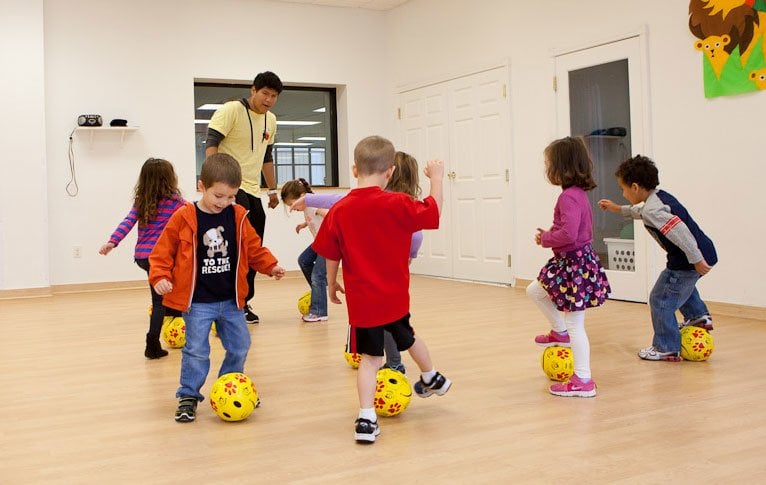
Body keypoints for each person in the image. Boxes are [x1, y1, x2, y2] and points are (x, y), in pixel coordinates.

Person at [312, 136, 451, 444]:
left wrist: (331, 282)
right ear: (390, 172)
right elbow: (433, 211)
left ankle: (366, 419)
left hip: (364, 304)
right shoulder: (398, 203)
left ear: (354, 168)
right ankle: (432, 377)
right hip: (395, 298)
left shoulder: (341, 209)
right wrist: (437, 179)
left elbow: (330, 253)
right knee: (410, 338)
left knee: (370, 360)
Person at [149, 153, 286, 423]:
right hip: (198, 302)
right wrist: (160, 276)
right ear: (202, 186)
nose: (224, 203)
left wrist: (270, 266)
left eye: (231, 197)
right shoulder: (184, 217)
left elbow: (253, 248)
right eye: (218, 196)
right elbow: (162, 253)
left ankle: (229, 386)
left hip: (231, 300)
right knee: (196, 351)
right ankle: (188, 394)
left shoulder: (238, 216)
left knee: (240, 345)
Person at [290, 151, 424, 373]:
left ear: (388, 175)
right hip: (386, 277)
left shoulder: (386, 203)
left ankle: (393, 363)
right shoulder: (398, 204)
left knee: (384, 321)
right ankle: (395, 363)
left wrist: (308, 199)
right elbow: (416, 238)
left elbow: (340, 201)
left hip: (378, 277)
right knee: (386, 321)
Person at [598, 155, 717, 362]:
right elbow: (641, 211)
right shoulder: (658, 198)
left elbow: (681, 232)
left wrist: (696, 259)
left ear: (635, 187)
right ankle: (699, 317)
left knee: (660, 299)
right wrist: (618, 209)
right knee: (680, 288)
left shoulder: (653, 209)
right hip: (700, 254)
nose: (623, 194)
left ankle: (666, 347)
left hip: (688, 260)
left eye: (623, 189)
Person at [527, 136, 610, 398]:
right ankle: (559, 332)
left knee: (576, 323)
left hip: (575, 264)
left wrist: (547, 238)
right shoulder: (575, 195)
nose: (547, 169)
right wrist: (552, 233)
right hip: (572, 261)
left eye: (549, 164)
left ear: (561, 167)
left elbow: (570, 234)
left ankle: (583, 379)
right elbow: (570, 229)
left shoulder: (569, 198)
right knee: (535, 290)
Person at [205, 71, 284, 325]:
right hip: (231, 188)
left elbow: (267, 156)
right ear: (253, 90)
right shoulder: (231, 110)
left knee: (252, 248)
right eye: (265, 94)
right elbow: (211, 143)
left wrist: (272, 189)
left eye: (274, 96)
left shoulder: (270, 120)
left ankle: (243, 300)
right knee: (234, 247)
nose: (269, 100)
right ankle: (223, 302)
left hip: (252, 190)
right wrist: (212, 184)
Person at [99, 157, 186, 359]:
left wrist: (113, 242)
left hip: (144, 257)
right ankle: (156, 341)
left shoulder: (143, 201)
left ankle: (158, 338)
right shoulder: (177, 203)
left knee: (160, 300)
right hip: (163, 258)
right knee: (166, 299)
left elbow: (127, 222)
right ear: (170, 179)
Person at [280, 178, 329, 322]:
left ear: (301, 197)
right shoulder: (307, 205)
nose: (293, 208)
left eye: (292, 204)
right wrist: (304, 224)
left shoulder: (313, 204)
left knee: (317, 275)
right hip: (320, 242)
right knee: (304, 260)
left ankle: (319, 312)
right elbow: (314, 218)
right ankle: (320, 287)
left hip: (328, 243)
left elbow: (330, 215)